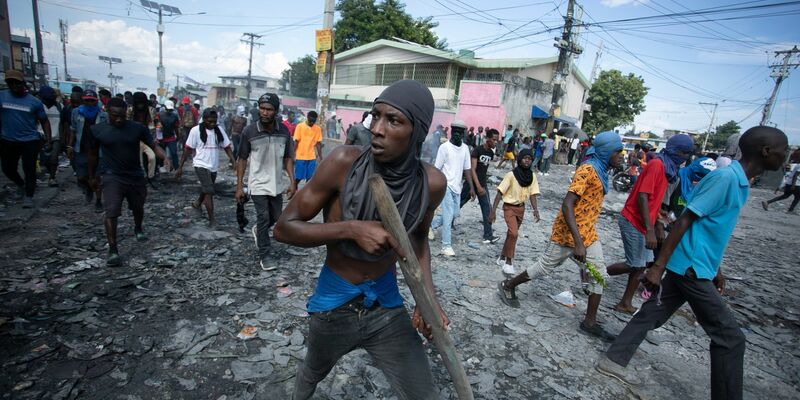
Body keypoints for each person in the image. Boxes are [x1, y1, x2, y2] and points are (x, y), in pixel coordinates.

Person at [273, 80, 448, 400]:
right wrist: (350, 229)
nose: (377, 129)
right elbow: (283, 228)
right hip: (333, 305)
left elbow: (419, 239)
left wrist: (428, 299)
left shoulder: (431, 183)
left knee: (424, 393)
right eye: (376, 116)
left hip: (386, 304)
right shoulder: (343, 163)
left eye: (394, 120)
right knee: (312, 372)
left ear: (418, 132)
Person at [597, 126, 789, 400]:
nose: (786, 157)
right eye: (783, 152)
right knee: (730, 338)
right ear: (766, 151)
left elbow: (710, 229)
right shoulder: (724, 179)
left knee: (652, 314)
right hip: (690, 268)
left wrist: (716, 268)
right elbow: (685, 220)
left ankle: (613, 360)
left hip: (696, 265)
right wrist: (657, 267)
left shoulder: (739, 181)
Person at [498, 131, 624, 341]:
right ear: (606, 151)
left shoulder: (601, 171)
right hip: (568, 232)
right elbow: (567, 205)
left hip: (588, 233)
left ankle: (589, 323)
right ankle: (508, 285)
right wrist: (578, 243)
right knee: (545, 266)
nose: (621, 155)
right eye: (617, 151)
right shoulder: (587, 170)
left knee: (599, 274)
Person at [606, 134, 694, 314]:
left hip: (644, 221)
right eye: (684, 153)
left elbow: (653, 199)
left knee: (642, 264)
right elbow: (642, 196)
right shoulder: (657, 165)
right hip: (633, 219)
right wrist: (650, 230)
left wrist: (660, 218)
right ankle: (594, 273)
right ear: (675, 151)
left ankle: (625, 302)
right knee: (634, 264)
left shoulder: (669, 170)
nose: (686, 157)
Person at [87, 97, 170, 266]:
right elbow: (93, 155)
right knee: (112, 211)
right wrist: (92, 176)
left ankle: (138, 227)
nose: (118, 119)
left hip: (135, 175)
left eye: (122, 116)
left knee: (138, 207)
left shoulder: (137, 128)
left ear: (127, 114)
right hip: (112, 175)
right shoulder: (97, 130)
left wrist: (164, 157)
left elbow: (153, 144)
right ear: (107, 113)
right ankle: (113, 250)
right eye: (114, 115)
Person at [235, 93, 296, 269]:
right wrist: (240, 186)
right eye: (262, 108)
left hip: (276, 183)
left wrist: (292, 182)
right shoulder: (249, 131)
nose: (265, 112)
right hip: (257, 183)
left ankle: (258, 231)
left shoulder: (284, 131)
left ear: (276, 111)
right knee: (263, 217)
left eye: (269, 109)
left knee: (276, 217)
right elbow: (242, 159)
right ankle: (265, 255)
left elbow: (287, 158)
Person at [0, 70, 52, 208]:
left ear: (23, 83)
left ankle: (29, 196)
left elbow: (44, 121)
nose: (14, 85)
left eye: (17, 82)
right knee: (7, 168)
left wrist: (48, 139)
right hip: (8, 139)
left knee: (29, 169)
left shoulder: (34, 102)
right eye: (11, 82)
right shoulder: (2, 97)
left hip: (29, 140)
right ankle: (20, 184)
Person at [177, 108, 234, 227]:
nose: (212, 124)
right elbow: (187, 149)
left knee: (207, 187)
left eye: (214, 121)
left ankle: (197, 203)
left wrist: (233, 161)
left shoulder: (219, 130)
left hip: (213, 165)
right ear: (204, 120)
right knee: (209, 191)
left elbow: (227, 147)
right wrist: (180, 167)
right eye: (209, 122)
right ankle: (212, 220)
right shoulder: (195, 130)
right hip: (200, 164)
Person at [490, 148, 540, 274]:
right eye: (525, 158)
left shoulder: (532, 176)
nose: (527, 161)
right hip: (509, 207)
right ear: (519, 159)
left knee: (511, 234)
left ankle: (501, 257)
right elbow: (499, 193)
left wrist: (535, 210)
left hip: (521, 208)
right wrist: (493, 211)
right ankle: (508, 262)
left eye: (529, 159)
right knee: (514, 234)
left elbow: (533, 194)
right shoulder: (511, 175)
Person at [429, 120, 475, 257]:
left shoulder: (465, 148)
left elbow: (467, 169)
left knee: (455, 214)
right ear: (451, 132)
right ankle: (446, 246)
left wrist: (471, 187)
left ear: (463, 134)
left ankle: (430, 224)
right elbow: (437, 168)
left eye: (460, 132)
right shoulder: (444, 148)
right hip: (446, 185)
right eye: (455, 131)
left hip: (457, 187)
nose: (457, 134)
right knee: (448, 216)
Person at [69, 89, 108, 210]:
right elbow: (73, 130)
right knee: (81, 176)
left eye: (92, 101)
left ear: (96, 101)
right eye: (87, 101)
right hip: (81, 149)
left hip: (98, 151)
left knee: (97, 177)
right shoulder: (76, 112)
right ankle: (88, 188)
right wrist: (69, 145)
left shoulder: (103, 115)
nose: (89, 103)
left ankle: (98, 201)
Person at [471, 128, 500, 244]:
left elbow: (484, 169)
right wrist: (477, 186)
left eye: (497, 140)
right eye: (494, 140)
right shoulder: (477, 151)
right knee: (458, 205)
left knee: (487, 209)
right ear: (487, 139)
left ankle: (488, 236)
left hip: (483, 184)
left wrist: (482, 186)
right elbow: (472, 170)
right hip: (472, 185)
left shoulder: (490, 153)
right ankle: (436, 224)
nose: (496, 142)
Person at [128, 92, 158, 186]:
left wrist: (156, 137)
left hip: (148, 138)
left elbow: (156, 124)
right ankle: (143, 178)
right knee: (140, 161)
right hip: (134, 139)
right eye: (138, 103)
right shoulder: (130, 110)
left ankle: (150, 176)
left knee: (152, 157)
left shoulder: (151, 110)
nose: (140, 105)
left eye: (142, 103)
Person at [37, 86, 62, 187]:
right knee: (43, 160)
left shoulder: (59, 107)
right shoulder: (38, 106)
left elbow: (62, 123)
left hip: (55, 137)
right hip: (40, 137)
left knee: (54, 158)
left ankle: (52, 177)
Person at [762, 148, 800, 213]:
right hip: (795, 184)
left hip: (789, 183)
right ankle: (790, 210)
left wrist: (782, 185)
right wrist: (793, 185)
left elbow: (787, 174)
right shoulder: (797, 166)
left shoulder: (794, 165)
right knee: (797, 197)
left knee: (785, 196)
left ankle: (767, 202)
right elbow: (795, 175)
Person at [293, 110, 322, 184]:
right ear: (307, 117)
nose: (312, 123)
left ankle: (306, 194)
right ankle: (293, 192)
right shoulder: (300, 126)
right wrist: (292, 154)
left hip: (312, 157)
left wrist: (321, 157)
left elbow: (318, 143)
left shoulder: (318, 129)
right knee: (298, 178)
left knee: (310, 179)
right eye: (310, 121)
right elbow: (296, 141)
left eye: (314, 121)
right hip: (300, 156)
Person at [157, 100, 180, 171]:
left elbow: (176, 127)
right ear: (164, 108)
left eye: (170, 109)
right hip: (161, 137)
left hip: (171, 137)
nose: (169, 111)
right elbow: (156, 126)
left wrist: (178, 136)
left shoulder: (175, 116)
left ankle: (177, 168)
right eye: (168, 109)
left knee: (174, 153)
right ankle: (160, 167)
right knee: (161, 154)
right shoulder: (159, 115)